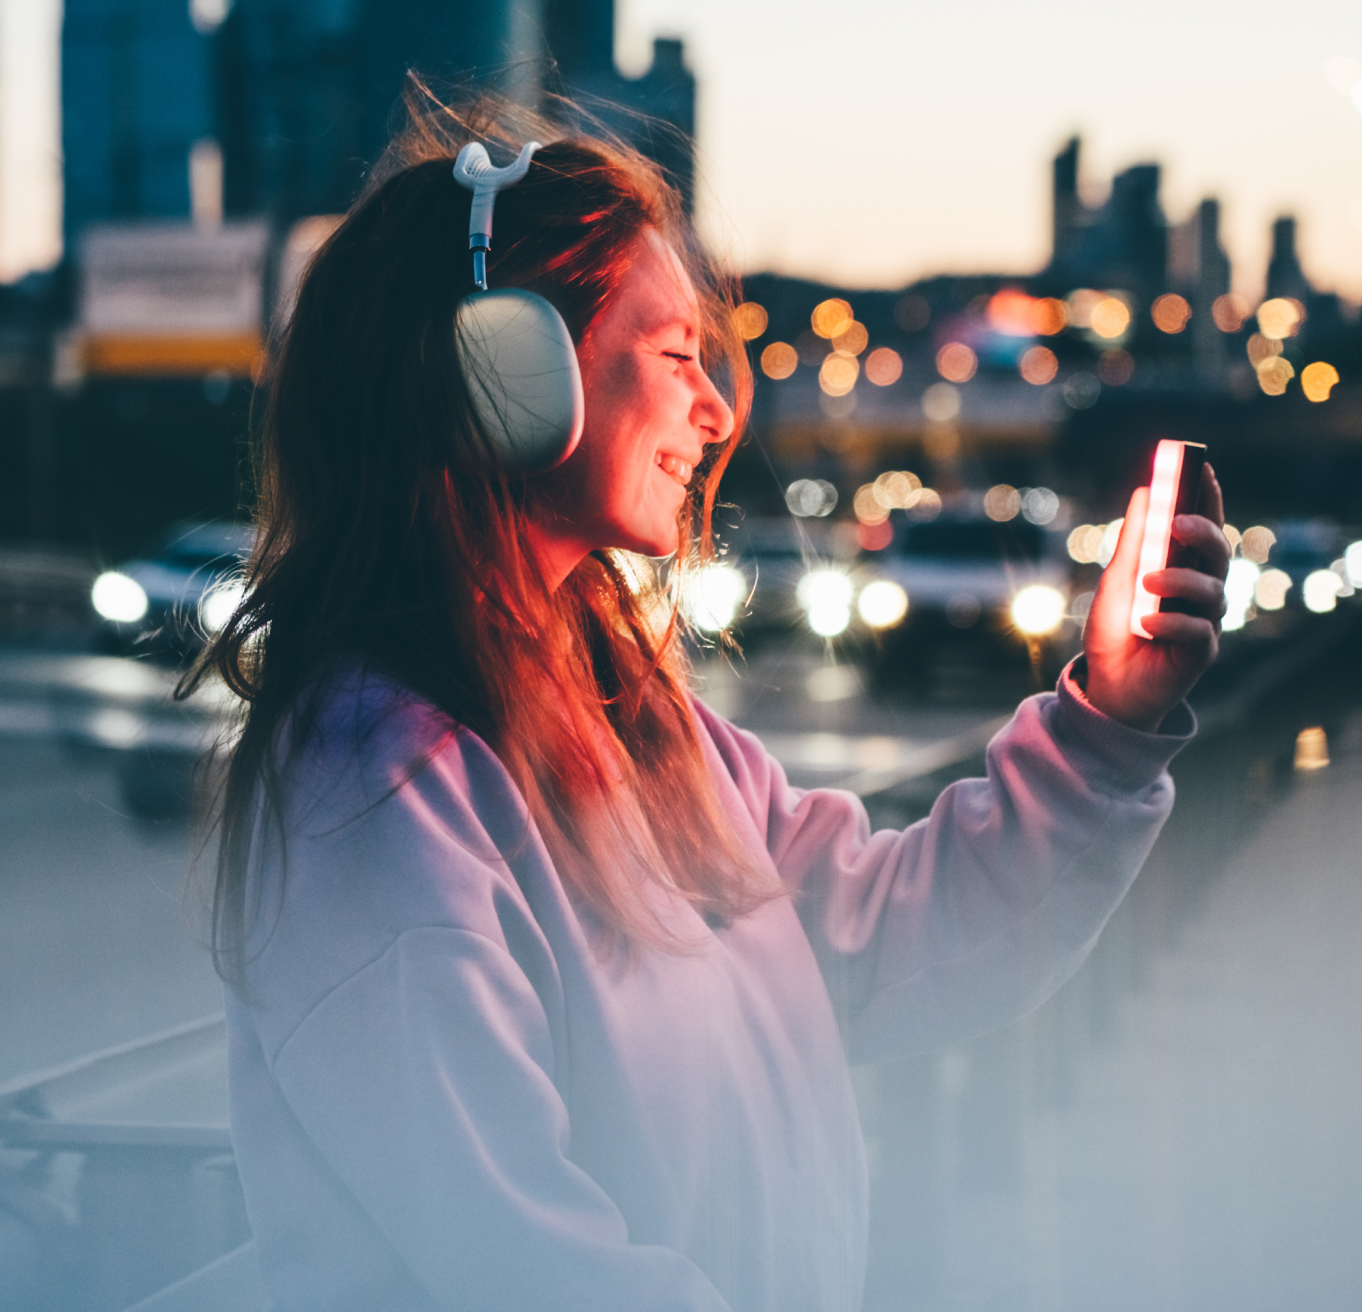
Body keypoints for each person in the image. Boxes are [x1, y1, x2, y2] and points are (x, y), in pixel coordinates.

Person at [188, 90, 1229, 1312]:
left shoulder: (631, 722)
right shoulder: (376, 789)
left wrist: (1106, 719)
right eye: (677, 352)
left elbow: (887, 940)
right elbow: (526, 1267)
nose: (718, 410)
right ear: (502, 371)